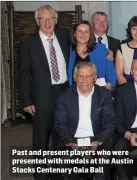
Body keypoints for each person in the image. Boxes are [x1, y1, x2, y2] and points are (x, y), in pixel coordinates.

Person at [18, 5, 71, 179]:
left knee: (60, 136)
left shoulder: (64, 36)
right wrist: (26, 101)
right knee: (41, 138)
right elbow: (23, 74)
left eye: (50, 18)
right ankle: (40, 175)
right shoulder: (28, 44)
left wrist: (108, 53)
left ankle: (56, 174)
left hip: (63, 93)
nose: (47, 22)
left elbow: (84, 48)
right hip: (41, 97)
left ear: (56, 20)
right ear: (37, 21)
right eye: (43, 19)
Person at [54, 62, 115, 180]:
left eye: (88, 76)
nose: (84, 80)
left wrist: (98, 141)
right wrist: (69, 142)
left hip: (97, 138)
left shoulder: (104, 95)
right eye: (80, 76)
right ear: (74, 77)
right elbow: (60, 123)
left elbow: (109, 122)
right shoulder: (64, 96)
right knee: (62, 160)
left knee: (104, 159)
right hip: (73, 139)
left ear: (95, 77)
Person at [67, 20, 116, 90]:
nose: (83, 34)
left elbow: (110, 69)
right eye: (80, 31)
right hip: (74, 92)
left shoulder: (101, 49)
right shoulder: (68, 51)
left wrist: (110, 83)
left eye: (86, 32)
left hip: (99, 91)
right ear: (74, 34)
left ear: (90, 34)